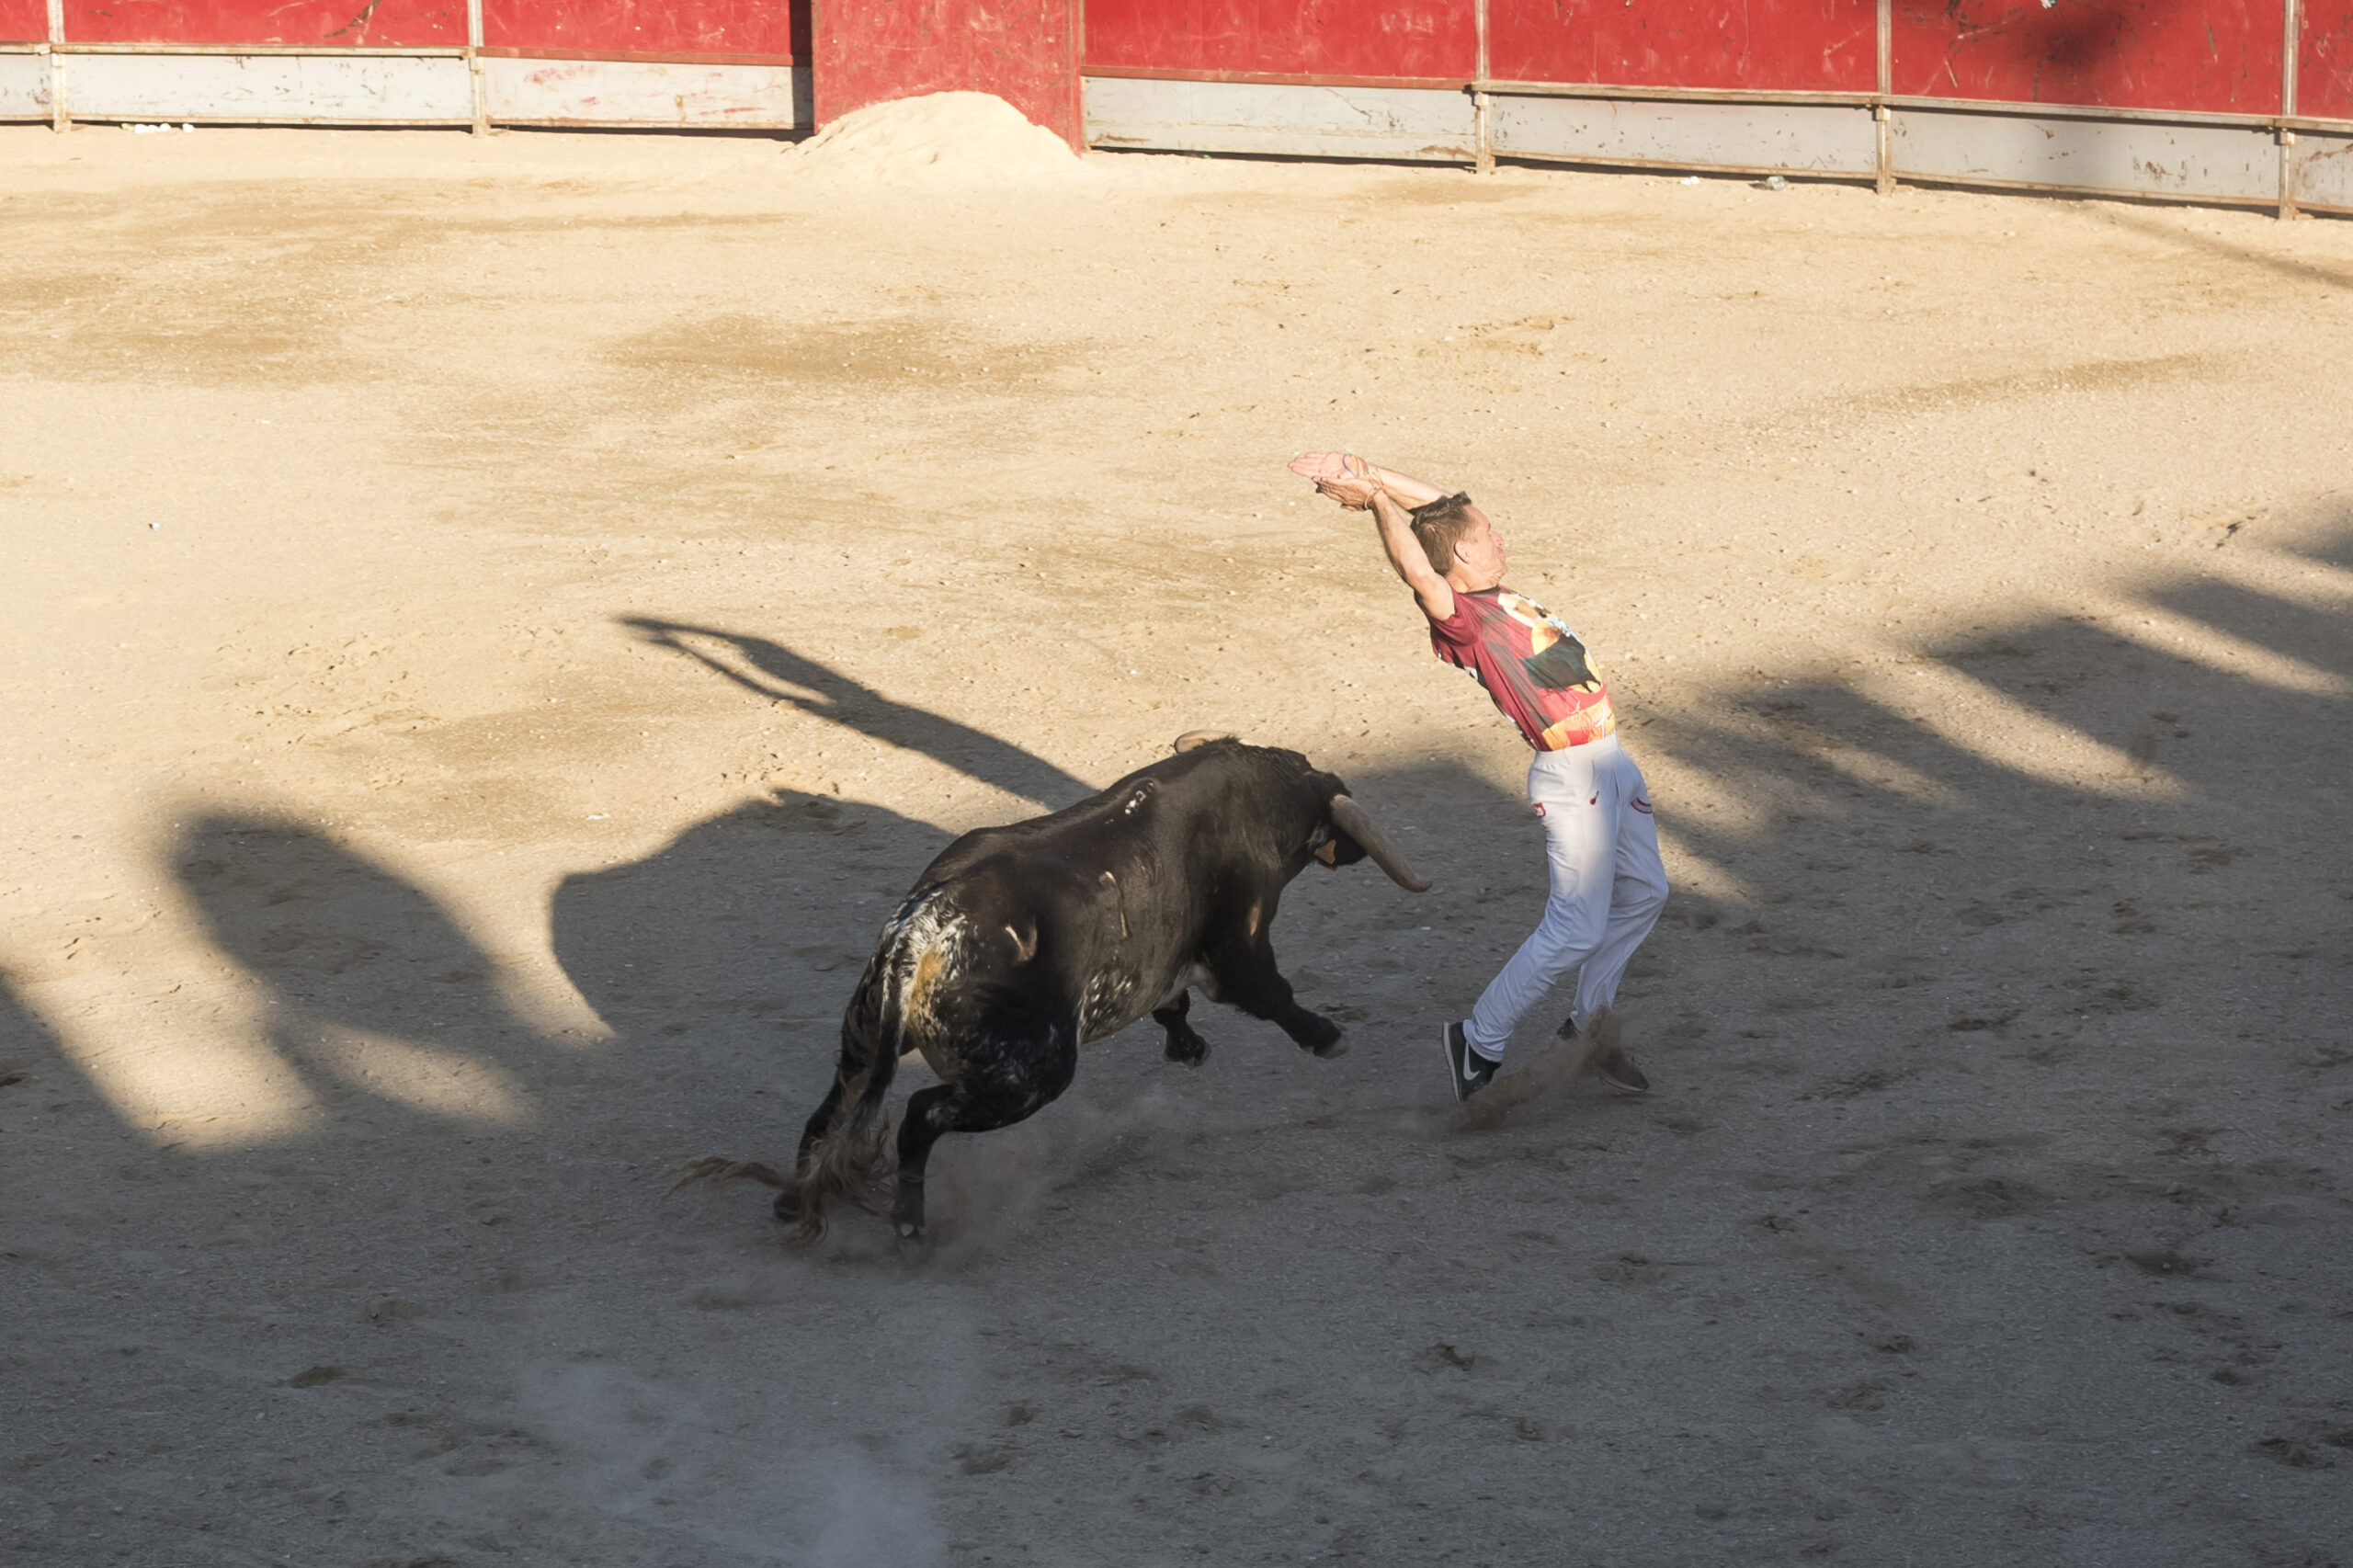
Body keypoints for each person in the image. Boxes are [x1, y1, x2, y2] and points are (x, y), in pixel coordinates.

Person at [1289, 452, 1668, 1102]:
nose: (1500, 537)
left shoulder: (1488, 590)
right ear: (1462, 555)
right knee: (1575, 926)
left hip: (1610, 761)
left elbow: (1441, 508)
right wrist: (1378, 505)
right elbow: (1416, 563)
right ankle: (1479, 1041)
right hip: (1573, 776)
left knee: (1646, 893)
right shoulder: (1462, 618)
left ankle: (1589, 1025)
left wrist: (1369, 471)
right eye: (1487, 535)